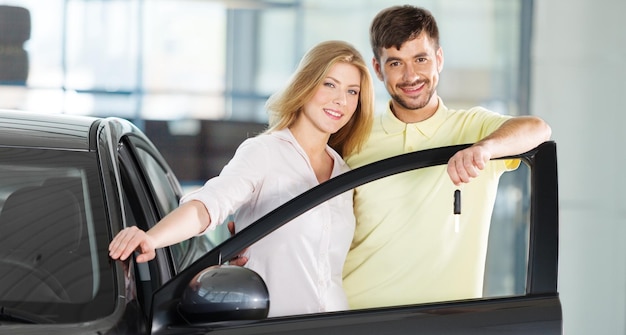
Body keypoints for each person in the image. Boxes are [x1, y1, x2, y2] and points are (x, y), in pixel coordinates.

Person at [109, 40, 374, 317]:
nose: (341, 100)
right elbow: (209, 205)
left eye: (352, 91)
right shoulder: (265, 153)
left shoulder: (344, 172)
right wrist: (151, 239)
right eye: (329, 84)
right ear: (306, 85)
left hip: (334, 332)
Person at [342, 5, 552, 309]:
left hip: (444, 334)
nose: (410, 75)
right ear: (378, 69)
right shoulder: (353, 137)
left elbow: (538, 128)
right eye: (396, 63)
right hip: (351, 322)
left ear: (438, 59)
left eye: (421, 59)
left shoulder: (473, 128)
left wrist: (484, 149)